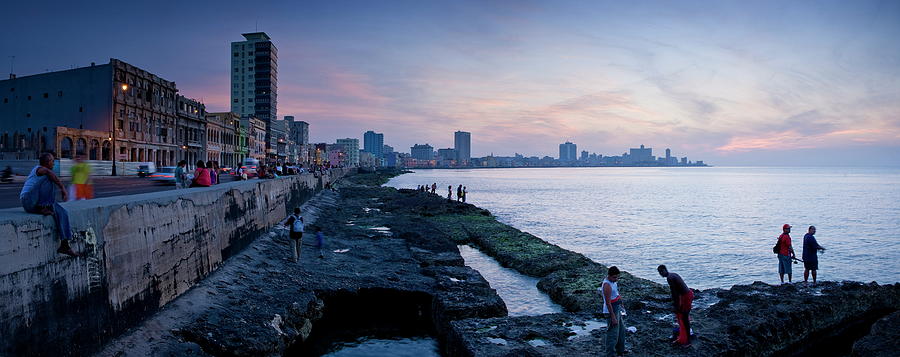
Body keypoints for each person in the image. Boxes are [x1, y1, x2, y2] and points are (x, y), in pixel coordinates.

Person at [20, 153, 78, 256]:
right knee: (49, 178)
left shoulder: (45, 171)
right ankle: (43, 207)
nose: (54, 163)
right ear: (47, 162)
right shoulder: (39, 169)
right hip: (28, 201)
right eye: (52, 161)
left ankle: (65, 245)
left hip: (38, 203)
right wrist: (63, 188)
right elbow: (48, 173)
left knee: (62, 212)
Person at [658, 265, 693, 346]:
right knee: (685, 317)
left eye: (661, 272)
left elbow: (675, 294)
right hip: (688, 294)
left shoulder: (670, 278)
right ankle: (686, 336)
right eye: (659, 273)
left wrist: (676, 306)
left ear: (665, 270)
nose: (660, 274)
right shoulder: (673, 274)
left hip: (686, 297)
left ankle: (688, 340)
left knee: (684, 319)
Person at [599, 266, 625, 357]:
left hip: (617, 307)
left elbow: (617, 294)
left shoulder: (613, 282)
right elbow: (608, 302)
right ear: (609, 276)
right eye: (614, 277)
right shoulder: (607, 285)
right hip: (611, 310)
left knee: (621, 331)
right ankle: (610, 354)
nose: (616, 279)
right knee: (612, 334)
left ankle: (620, 351)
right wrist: (613, 317)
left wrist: (621, 302)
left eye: (617, 277)